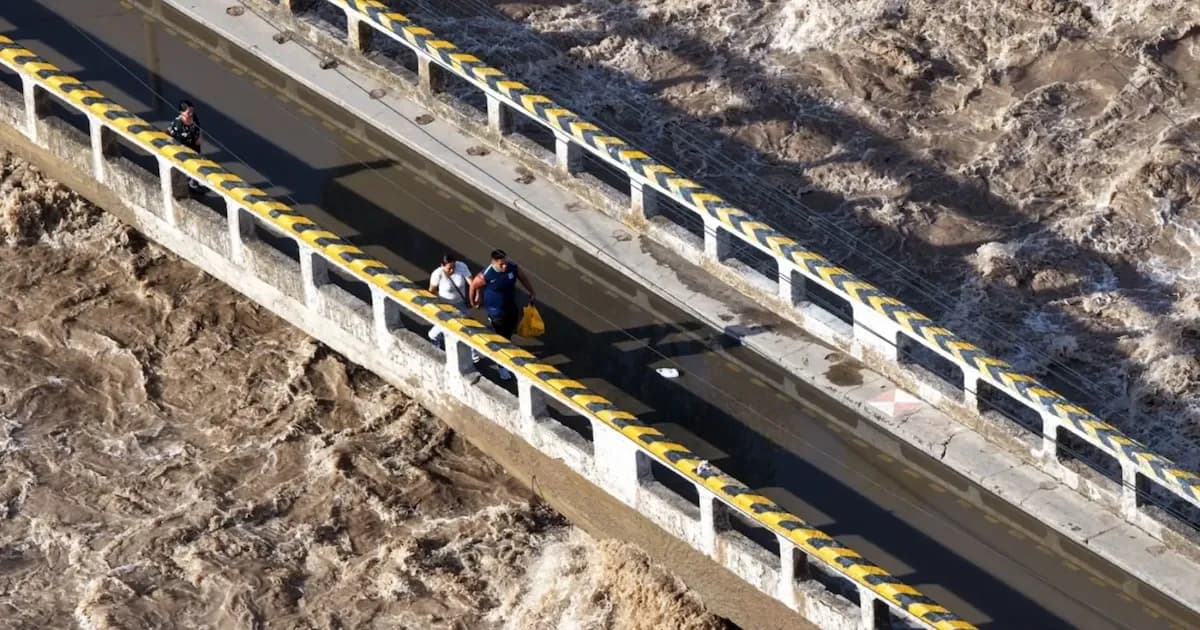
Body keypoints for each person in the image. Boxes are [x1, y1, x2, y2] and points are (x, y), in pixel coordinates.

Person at [469, 249, 535, 380]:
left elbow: (523, 278)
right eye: (501, 265)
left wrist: (531, 292)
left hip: (510, 307)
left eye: (505, 263)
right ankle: (501, 366)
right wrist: (474, 300)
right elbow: (474, 286)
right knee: (501, 338)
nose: (504, 266)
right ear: (494, 263)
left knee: (508, 333)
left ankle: (482, 346)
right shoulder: (487, 274)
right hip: (496, 311)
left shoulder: (512, 268)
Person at [427, 253, 479, 363]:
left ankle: (474, 354)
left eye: (454, 267)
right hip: (445, 307)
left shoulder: (461, 267)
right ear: (442, 266)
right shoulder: (437, 274)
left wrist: (473, 298)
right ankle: (436, 345)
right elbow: (431, 291)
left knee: (468, 329)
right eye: (449, 268)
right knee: (434, 333)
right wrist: (439, 304)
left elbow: (472, 283)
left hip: (460, 304)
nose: (452, 270)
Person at [167, 100, 202, 199]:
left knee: (196, 165)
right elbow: (171, 136)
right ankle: (186, 186)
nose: (191, 114)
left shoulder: (194, 118)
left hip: (194, 146)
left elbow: (198, 128)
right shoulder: (178, 124)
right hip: (183, 148)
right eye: (188, 112)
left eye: (192, 111)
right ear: (181, 112)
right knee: (184, 168)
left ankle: (193, 184)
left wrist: (199, 137)